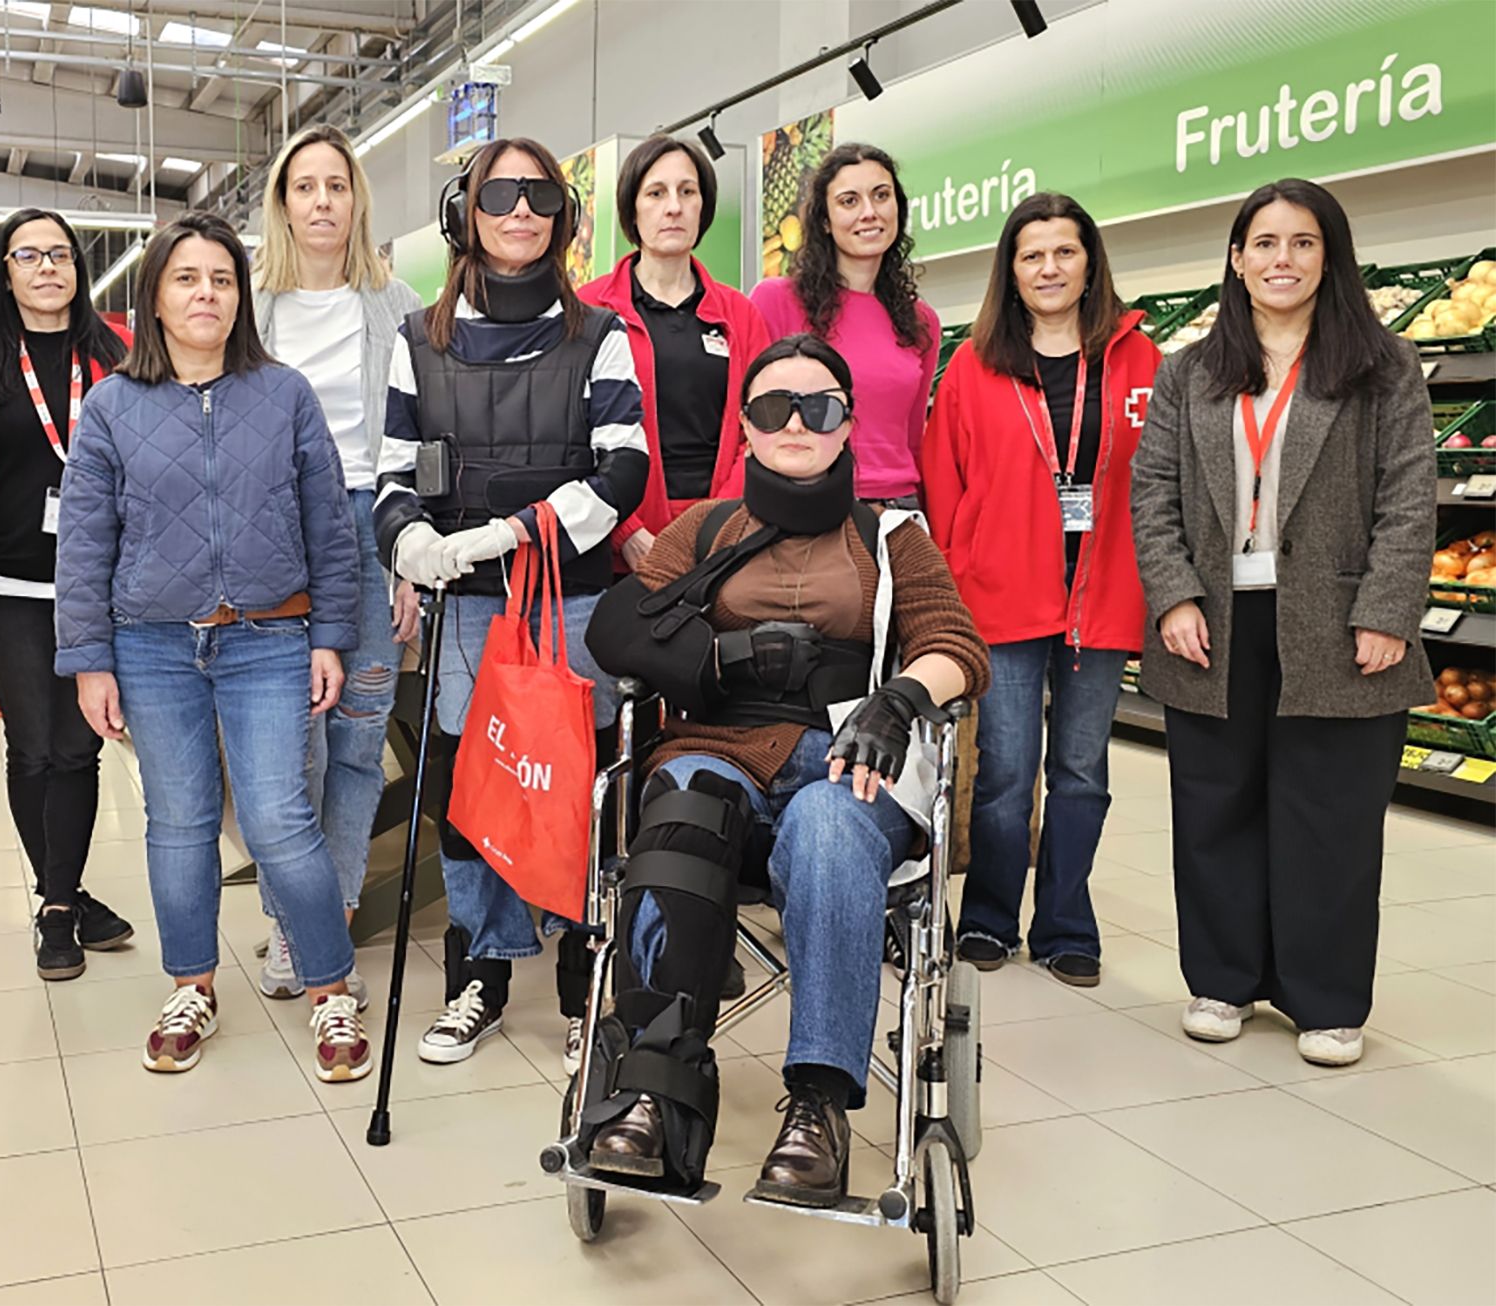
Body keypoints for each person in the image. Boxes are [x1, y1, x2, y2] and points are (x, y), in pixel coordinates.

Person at [583, 333, 989, 1203]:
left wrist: (901, 699)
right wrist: (725, 660)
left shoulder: (891, 536)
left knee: (827, 820)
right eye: (775, 408)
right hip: (716, 747)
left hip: (850, 758)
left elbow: (958, 644)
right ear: (746, 428)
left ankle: (817, 1107)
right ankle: (654, 1090)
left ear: (848, 426)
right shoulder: (707, 526)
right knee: (684, 808)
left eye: (821, 407)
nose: (797, 423)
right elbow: (625, 627)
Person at [55, 213, 374, 1083]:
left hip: (271, 636)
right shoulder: (114, 407)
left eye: (223, 279)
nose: (206, 294)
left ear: (242, 296)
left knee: (279, 817)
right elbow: (83, 541)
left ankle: (329, 988)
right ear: (154, 296)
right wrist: (89, 659)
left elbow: (329, 530)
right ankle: (191, 983)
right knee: (181, 823)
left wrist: (332, 637)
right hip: (151, 646)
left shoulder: (284, 395)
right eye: (187, 278)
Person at [1130, 178, 1434, 1068]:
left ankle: (1327, 998)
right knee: (1216, 803)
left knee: (1329, 811)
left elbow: (1411, 501)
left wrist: (1386, 610)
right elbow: (1154, 493)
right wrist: (1173, 593)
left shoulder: (1382, 367)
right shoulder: (1190, 370)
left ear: (1328, 257)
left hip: (1339, 623)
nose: (1282, 260)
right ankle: (1223, 980)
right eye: (1264, 244)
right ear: (1236, 259)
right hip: (1214, 622)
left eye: (1303, 244)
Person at [376, 137, 648, 1073]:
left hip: (571, 598)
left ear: (563, 217)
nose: (521, 210)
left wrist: (524, 528)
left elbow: (624, 467)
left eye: (540, 195)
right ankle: (482, 974)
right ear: (468, 213)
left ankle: (584, 984)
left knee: (574, 789)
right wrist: (406, 537)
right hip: (465, 608)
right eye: (501, 194)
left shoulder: (600, 334)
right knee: (470, 790)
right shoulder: (422, 340)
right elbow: (390, 473)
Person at [922, 193, 1160, 987]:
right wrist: (959, 575)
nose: (1050, 268)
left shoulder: (1138, 360)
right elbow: (944, 480)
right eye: (1032, 256)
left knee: (1084, 771)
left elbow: (1161, 479)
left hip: (1102, 593)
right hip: (1003, 594)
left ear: (1090, 262)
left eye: (1064, 252)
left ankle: (1065, 923)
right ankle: (990, 915)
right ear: (1011, 271)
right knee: (1004, 773)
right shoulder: (973, 365)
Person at [251, 125, 423, 1005]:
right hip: (274, 533)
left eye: (336, 186)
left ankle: (325, 928)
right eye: (304, 186)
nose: (321, 201)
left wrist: (411, 561)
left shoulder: (399, 306)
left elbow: (432, 441)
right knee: (290, 748)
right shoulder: (250, 307)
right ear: (282, 203)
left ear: (357, 199)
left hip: (372, 523)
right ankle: (296, 920)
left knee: (359, 742)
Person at [0, 209, 134, 980]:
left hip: (99, 587)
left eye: (61, 254)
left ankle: (63, 892)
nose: (48, 267)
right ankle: (59, 905)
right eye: (30, 255)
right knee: (35, 749)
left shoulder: (117, 358)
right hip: (9, 585)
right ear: (5, 271)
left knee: (82, 745)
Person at [579, 134, 771, 571]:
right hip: (616, 543)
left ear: (703, 206)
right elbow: (570, 433)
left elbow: (762, 428)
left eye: (688, 192)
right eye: (656, 193)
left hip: (724, 541)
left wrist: (721, 522)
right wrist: (624, 530)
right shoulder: (588, 309)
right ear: (632, 207)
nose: (673, 207)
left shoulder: (740, 315)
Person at [750, 143, 940, 507]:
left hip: (899, 508)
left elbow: (914, 439)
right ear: (825, 220)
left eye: (881, 196)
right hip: (807, 503)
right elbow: (751, 422)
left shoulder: (920, 321)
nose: (869, 212)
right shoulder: (776, 301)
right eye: (849, 201)